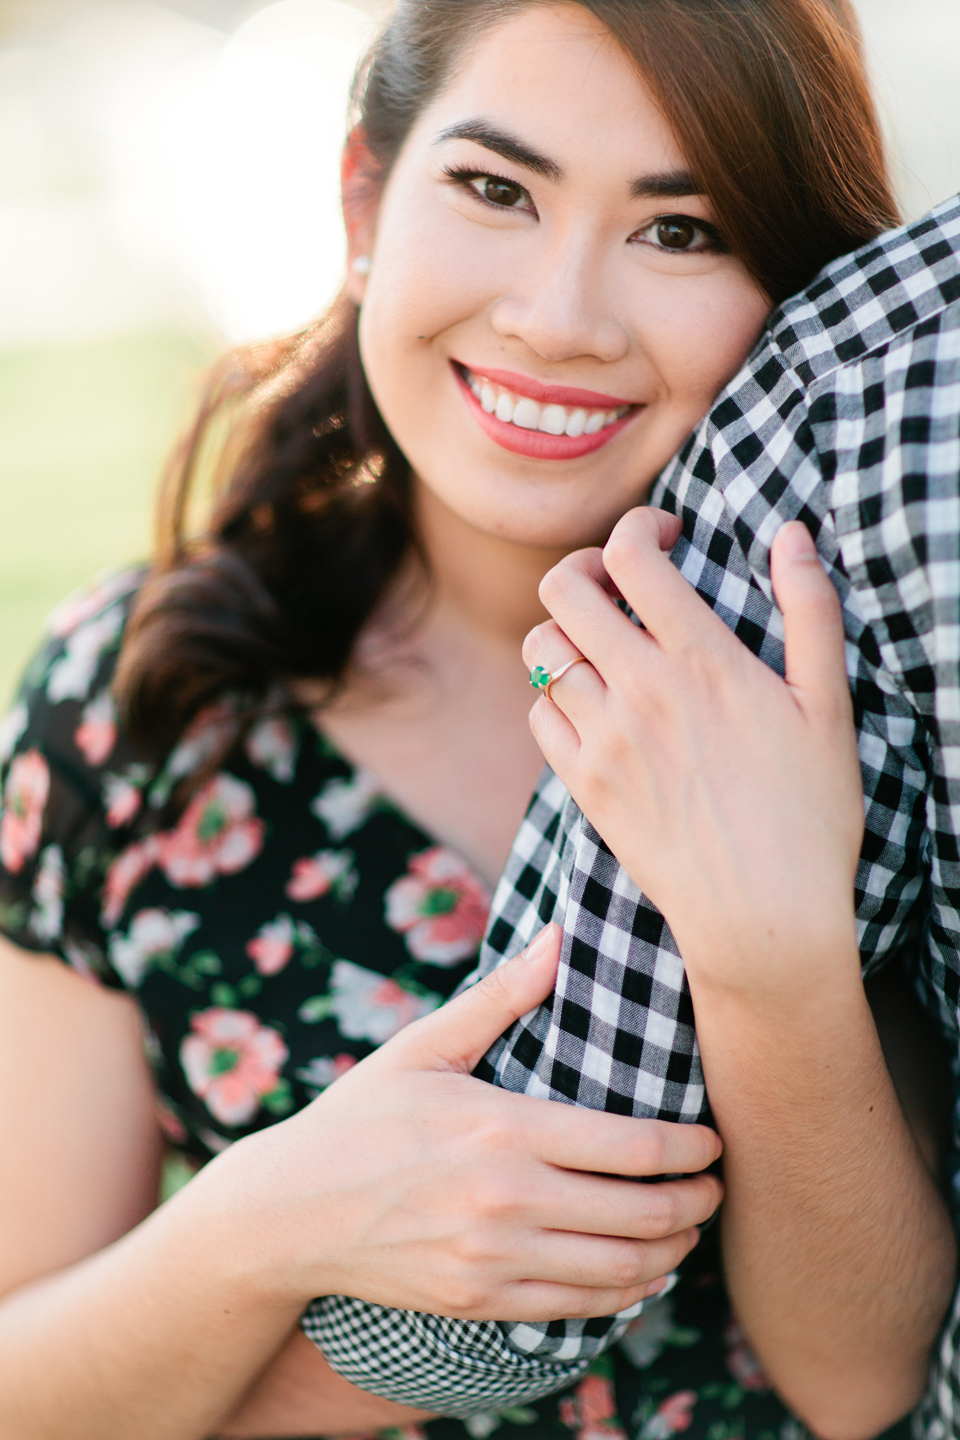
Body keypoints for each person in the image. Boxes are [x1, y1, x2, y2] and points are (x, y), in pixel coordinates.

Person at [0, 4, 951, 1440]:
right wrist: (264, 1219)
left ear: (799, 296)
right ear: (366, 198)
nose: (557, 317)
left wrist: (776, 964)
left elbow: (864, 1383)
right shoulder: (138, 712)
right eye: (497, 191)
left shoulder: (864, 690)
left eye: (680, 230)